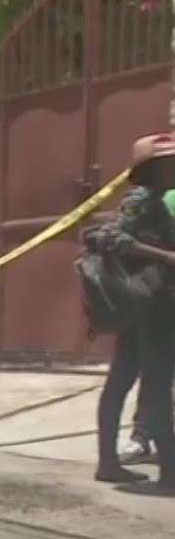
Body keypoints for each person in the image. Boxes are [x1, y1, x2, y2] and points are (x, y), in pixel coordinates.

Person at [95, 133, 175, 489]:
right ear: (153, 168)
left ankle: (108, 462)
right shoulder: (142, 198)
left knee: (123, 381)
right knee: (156, 385)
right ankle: (170, 470)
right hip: (149, 304)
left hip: (144, 302)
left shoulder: (157, 200)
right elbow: (113, 238)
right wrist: (166, 257)